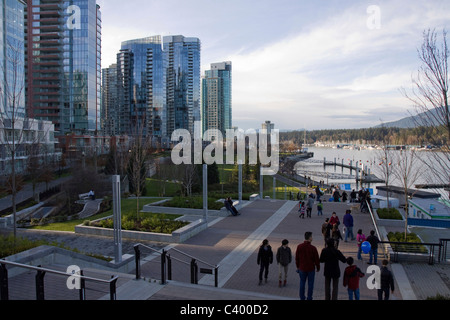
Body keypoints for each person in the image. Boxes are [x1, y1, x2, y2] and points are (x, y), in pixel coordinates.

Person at [295, 232, 320, 300]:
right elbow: (316, 259)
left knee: (302, 282)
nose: (312, 238)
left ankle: (302, 297)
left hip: (302, 268)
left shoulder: (299, 246)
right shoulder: (313, 248)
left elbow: (297, 258)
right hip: (311, 268)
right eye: (311, 236)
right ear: (309, 238)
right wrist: (318, 267)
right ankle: (309, 297)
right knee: (310, 284)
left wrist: (298, 266)